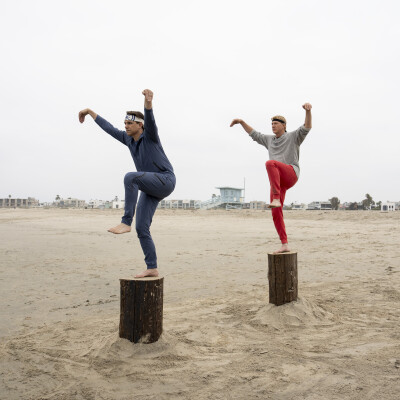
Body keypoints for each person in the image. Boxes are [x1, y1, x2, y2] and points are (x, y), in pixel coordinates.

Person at [78, 89, 176, 277]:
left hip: (165, 180)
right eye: (125, 123)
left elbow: (150, 118)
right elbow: (109, 128)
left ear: (140, 125)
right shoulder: (128, 139)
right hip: (150, 186)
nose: (126, 127)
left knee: (130, 176)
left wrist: (148, 103)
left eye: (129, 123)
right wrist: (90, 112)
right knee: (142, 228)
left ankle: (125, 222)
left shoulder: (150, 137)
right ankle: (152, 267)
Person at [230, 103, 312, 254]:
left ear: (284, 125)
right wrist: (241, 122)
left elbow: (307, 127)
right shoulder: (269, 140)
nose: (273, 126)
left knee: (270, 163)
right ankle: (284, 243)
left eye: (275, 124)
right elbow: (254, 134)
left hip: (291, 173)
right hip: (278, 183)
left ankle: (275, 199)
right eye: (272, 124)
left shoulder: (293, 137)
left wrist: (308, 111)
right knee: (275, 212)